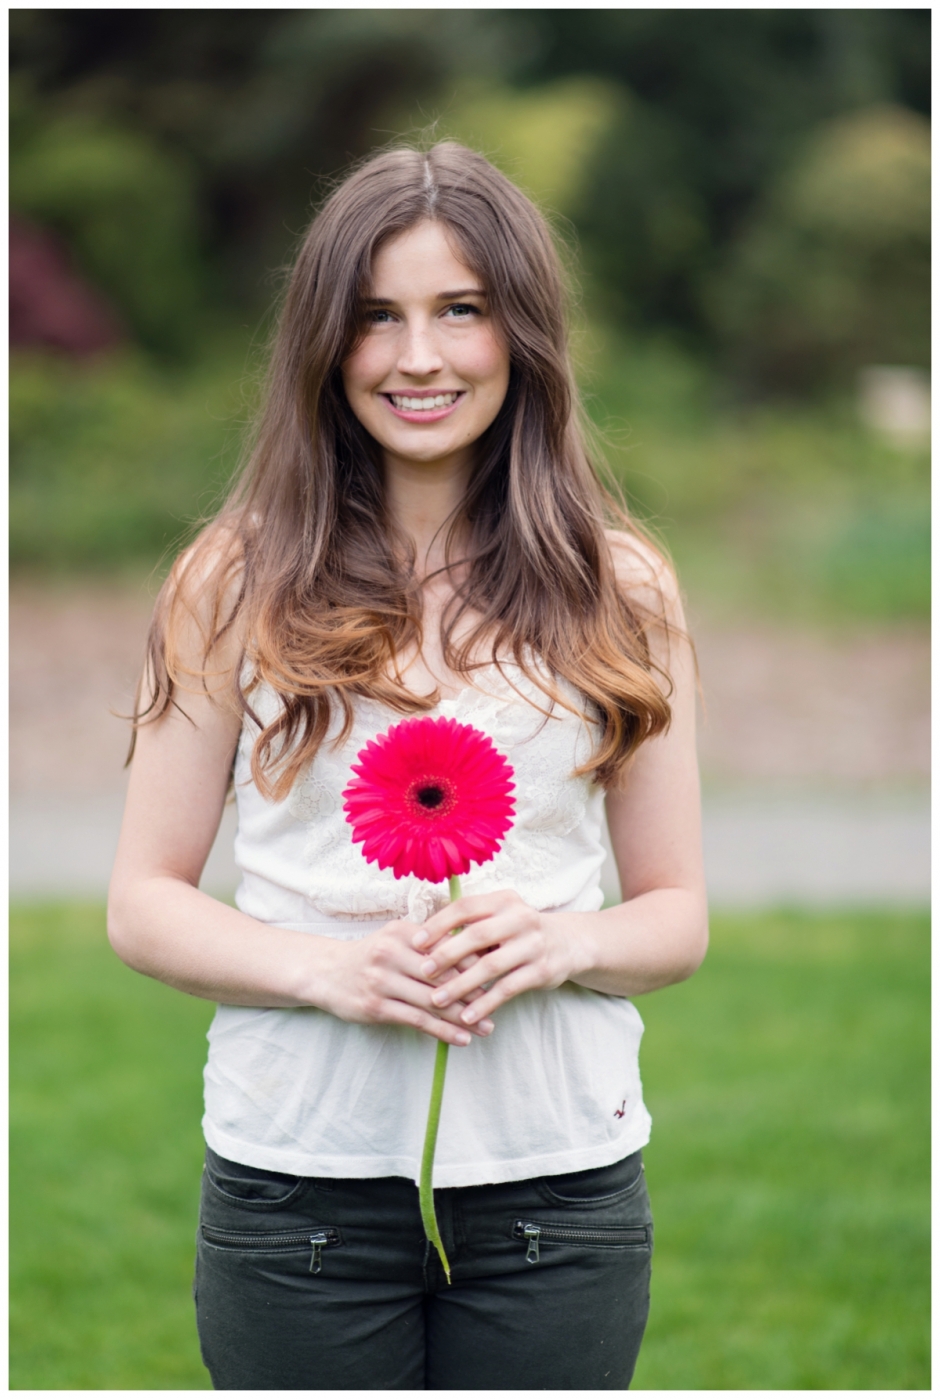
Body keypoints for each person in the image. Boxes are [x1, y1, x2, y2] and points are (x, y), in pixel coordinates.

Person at [108, 140, 708, 1391]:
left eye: (459, 312)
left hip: (559, 1197)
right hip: (299, 1193)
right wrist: (330, 970)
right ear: (324, 344)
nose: (418, 357)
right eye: (376, 316)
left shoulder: (624, 586)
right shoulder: (232, 578)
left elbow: (675, 916)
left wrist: (565, 943)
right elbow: (143, 902)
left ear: (521, 335)